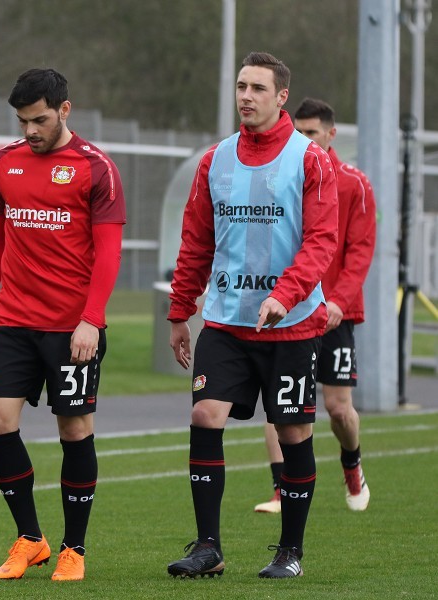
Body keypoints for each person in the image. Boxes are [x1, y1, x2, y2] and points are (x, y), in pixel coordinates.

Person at [166, 52, 338, 579]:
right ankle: (208, 546)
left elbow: (321, 241)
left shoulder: (310, 160)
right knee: (203, 416)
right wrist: (180, 310)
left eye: (258, 88)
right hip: (225, 322)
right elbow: (196, 240)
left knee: (292, 434)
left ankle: (290, 552)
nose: (246, 96)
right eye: (242, 86)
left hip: (290, 327)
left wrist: (284, 295)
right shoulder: (214, 160)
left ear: (281, 96)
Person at [0, 68, 126, 582]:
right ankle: (30, 539)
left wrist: (91, 321)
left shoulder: (94, 167)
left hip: (70, 328)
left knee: (74, 428)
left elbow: (108, 253)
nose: (31, 130)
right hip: (13, 320)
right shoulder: (4, 163)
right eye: (22, 121)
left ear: (64, 110)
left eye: (39, 119)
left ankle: (73, 549)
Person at [253, 97, 377, 515]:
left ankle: (352, 465)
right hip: (289, 309)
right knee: (278, 404)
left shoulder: (353, 184)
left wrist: (339, 301)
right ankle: (279, 489)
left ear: (330, 135)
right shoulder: (280, 175)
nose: (304, 139)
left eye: (311, 133)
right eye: (298, 131)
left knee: (338, 409)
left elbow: (360, 251)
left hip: (335, 314)